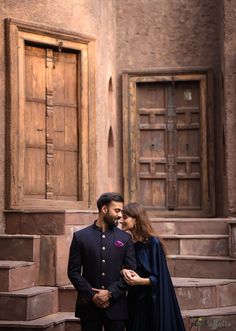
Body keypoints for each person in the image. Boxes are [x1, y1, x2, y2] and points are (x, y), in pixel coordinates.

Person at [67, 192, 137, 331]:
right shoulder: (81, 237)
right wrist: (92, 295)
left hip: (117, 307)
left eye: (121, 211)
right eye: (116, 210)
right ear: (104, 209)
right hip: (89, 307)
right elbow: (73, 272)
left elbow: (132, 271)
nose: (119, 215)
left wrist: (110, 293)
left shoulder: (125, 238)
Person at [120, 202, 186, 331]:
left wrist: (140, 281)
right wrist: (123, 271)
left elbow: (161, 278)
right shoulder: (127, 243)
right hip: (133, 298)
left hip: (150, 300)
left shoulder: (152, 243)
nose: (121, 221)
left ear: (136, 219)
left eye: (125, 217)